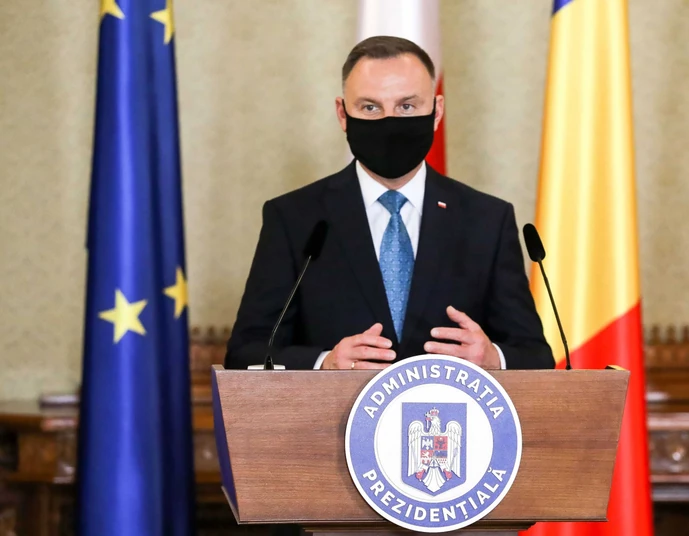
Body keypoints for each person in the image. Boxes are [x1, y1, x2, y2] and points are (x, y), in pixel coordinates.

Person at [224, 35, 554, 372]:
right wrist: (325, 363)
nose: (390, 122)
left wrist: (492, 357)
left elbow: (535, 355)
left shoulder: (487, 220)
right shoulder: (294, 218)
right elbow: (246, 352)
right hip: (335, 408)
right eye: (370, 107)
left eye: (407, 106)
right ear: (342, 114)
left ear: (437, 111)